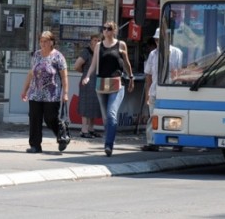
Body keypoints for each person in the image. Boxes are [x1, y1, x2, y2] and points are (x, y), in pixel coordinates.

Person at [82, 21, 134, 157]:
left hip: (117, 83)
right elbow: (93, 64)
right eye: (104, 29)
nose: (106, 31)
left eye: (109, 29)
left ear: (114, 31)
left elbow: (127, 63)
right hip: (101, 83)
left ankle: (108, 144)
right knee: (106, 118)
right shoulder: (99, 46)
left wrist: (131, 77)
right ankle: (109, 139)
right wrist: (87, 76)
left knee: (111, 114)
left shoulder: (121, 44)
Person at [21, 31, 69, 153]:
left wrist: (65, 93)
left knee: (50, 118)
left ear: (52, 42)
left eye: (46, 41)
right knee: (34, 118)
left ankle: (62, 135)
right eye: (41, 41)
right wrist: (25, 90)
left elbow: (64, 77)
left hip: (52, 94)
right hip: (35, 93)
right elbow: (31, 73)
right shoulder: (36, 55)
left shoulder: (58, 56)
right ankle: (35, 145)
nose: (43, 44)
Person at [142, 28, 183, 152]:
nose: (158, 42)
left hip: (172, 90)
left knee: (174, 117)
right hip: (155, 90)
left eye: (160, 39)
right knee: (153, 117)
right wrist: (147, 94)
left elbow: (178, 73)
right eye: (156, 40)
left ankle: (176, 141)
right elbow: (148, 75)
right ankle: (152, 142)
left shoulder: (176, 52)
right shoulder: (152, 54)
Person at [73, 34, 102, 138]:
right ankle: (84, 130)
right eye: (95, 40)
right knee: (85, 105)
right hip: (87, 81)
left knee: (94, 105)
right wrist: (85, 72)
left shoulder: (99, 52)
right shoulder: (86, 52)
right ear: (91, 41)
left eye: (99, 40)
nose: (97, 42)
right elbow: (76, 66)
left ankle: (91, 128)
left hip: (97, 81)